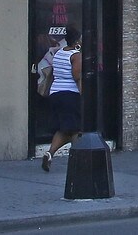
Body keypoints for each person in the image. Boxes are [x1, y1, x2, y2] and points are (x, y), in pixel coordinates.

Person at [41, 28, 84, 171]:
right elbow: (77, 77)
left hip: (56, 93)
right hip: (70, 95)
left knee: (64, 129)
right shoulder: (76, 55)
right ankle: (77, 160)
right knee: (76, 129)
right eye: (81, 38)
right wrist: (82, 94)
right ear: (77, 41)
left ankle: (49, 153)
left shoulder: (59, 53)